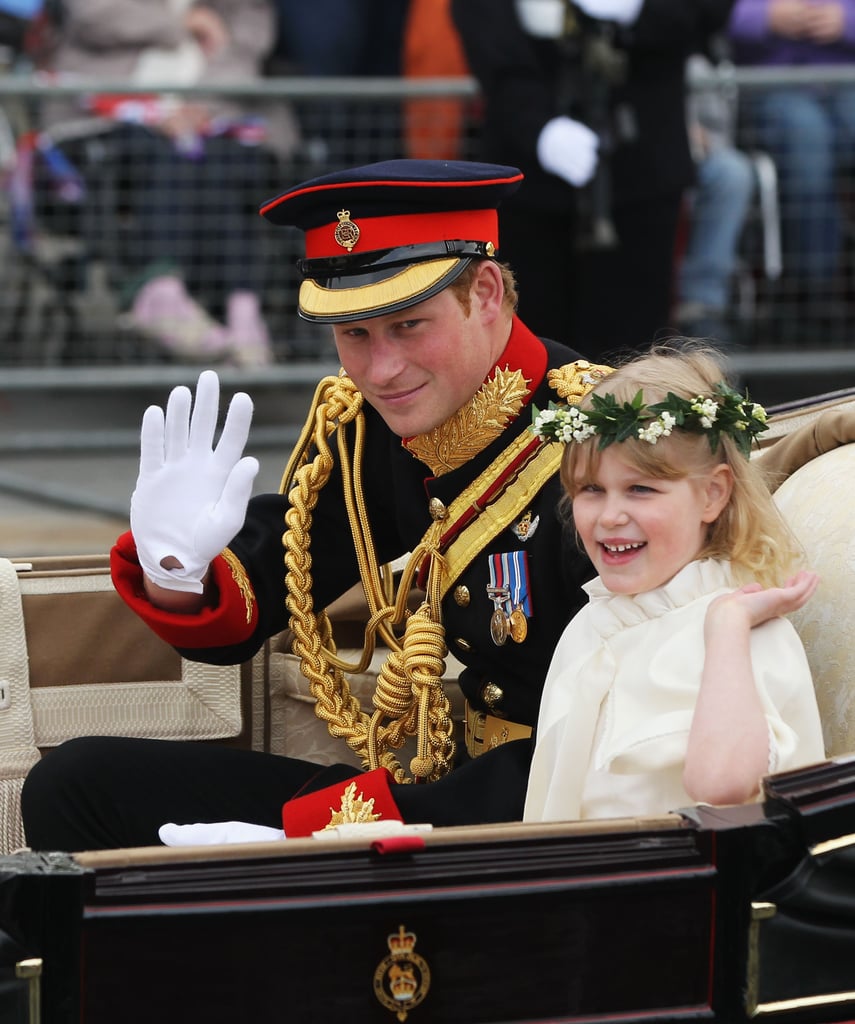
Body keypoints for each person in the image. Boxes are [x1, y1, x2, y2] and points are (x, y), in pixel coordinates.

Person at [18, 159, 851, 853]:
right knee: (78, 786)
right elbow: (268, 591)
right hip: (432, 783)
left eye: (408, 326)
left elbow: (622, 740)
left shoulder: (600, 446)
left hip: (539, 814)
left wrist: (323, 833)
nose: (379, 370)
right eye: (354, 337)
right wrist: (175, 564)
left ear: (485, 291)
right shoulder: (368, 428)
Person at [523, 344, 825, 822]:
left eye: (641, 489)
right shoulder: (597, 621)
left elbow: (722, 788)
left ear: (712, 494)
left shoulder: (745, 627)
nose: (610, 516)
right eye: (591, 490)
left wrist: (726, 628)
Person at [450, 0, 737, 360]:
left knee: (632, 355)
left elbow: (710, 16)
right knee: (529, 344)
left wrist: (644, 10)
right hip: (529, 175)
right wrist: (538, 129)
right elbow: (486, 30)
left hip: (641, 165)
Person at [33, 0, 300, 366]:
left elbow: (245, 45)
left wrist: (197, 109)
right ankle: (161, 293)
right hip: (111, 122)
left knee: (224, 160)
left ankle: (242, 310)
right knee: (168, 155)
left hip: (211, 117)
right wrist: (182, 21)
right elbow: (92, 16)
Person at [727, 0, 855, 334]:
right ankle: (815, 294)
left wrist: (847, 21)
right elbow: (713, 14)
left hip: (846, 79)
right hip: (772, 83)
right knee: (808, 142)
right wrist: (766, 16)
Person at [674, 53, 757, 348]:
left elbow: (722, 132)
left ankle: (702, 307)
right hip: (636, 158)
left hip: (699, 163)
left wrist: (700, 140)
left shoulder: (700, 63)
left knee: (732, 171)